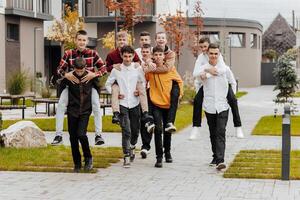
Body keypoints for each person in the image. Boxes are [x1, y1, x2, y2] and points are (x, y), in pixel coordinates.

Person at [52, 30, 107, 146]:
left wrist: (94, 74)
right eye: (79, 40)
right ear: (75, 40)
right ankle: (58, 135)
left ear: (87, 41)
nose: (81, 42)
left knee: (96, 105)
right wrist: (66, 74)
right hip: (71, 86)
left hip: (89, 87)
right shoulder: (68, 53)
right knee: (61, 104)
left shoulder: (93, 54)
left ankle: (98, 135)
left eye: (84, 40)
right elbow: (59, 69)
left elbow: (103, 68)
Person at [189, 37, 244, 140]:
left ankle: (238, 127)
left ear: (209, 46)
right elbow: (195, 73)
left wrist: (208, 74)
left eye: (205, 46)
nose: (203, 49)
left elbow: (222, 69)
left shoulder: (217, 54)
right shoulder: (200, 58)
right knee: (197, 100)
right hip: (206, 84)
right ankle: (196, 127)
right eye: (201, 47)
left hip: (222, 83)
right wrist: (206, 69)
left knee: (233, 100)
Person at [105, 45, 146, 168]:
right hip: (122, 104)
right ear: (121, 56)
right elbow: (108, 84)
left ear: (133, 56)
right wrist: (115, 93)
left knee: (135, 131)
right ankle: (126, 155)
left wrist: (138, 92)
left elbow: (143, 82)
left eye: (129, 56)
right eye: (125, 56)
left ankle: (132, 146)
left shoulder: (137, 68)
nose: (127, 59)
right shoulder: (116, 69)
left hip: (134, 103)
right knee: (126, 131)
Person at [106, 31, 154, 133]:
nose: (122, 41)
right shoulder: (111, 54)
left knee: (141, 86)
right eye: (120, 40)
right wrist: (114, 66)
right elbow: (107, 68)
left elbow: (137, 63)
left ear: (127, 41)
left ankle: (145, 112)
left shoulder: (132, 53)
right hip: (118, 79)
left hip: (132, 79)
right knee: (114, 88)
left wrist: (137, 64)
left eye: (124, 40)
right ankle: (116, 113)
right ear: (116, 41)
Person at [145, 46, 183, 168]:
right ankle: (159, 157)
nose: (158, 57)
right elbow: (142, 79)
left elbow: (179, 81)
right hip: (156, 103)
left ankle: (167, 153)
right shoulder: (150, 70)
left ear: (163, 56)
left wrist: (179, 95)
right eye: (155, 55)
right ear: (153, 56)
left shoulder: (170, 69)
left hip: (169, 104)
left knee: (168, 130)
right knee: (158, 129)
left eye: (160, 55)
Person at [199, 43, 230, 170]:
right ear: (208, 54)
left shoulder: (225, 68)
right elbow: (198, 81)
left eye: (216, 53)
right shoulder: (202, 67)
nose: (213, 56)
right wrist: (204, 73)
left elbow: (230, 80)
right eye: (211, 53)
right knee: (212, 133)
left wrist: (206, 73)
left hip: (222, 105)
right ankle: (215, 156)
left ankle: (220, 160)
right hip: (210, 106)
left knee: (220, 132)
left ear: (219, 54)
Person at [62, 57, 96, 173]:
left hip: (85, 111)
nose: (80, 73)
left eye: (82, 71)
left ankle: (88, 158)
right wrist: (65, 75)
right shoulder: (70, 77)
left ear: (85, 68)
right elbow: (57, 81)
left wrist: (95, 74)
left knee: (81, 134)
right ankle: (77, 163)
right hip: (72, 110)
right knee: (73, 137)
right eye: (77, 71)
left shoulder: (90, 77)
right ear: (74, 68)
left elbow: (99, 86)